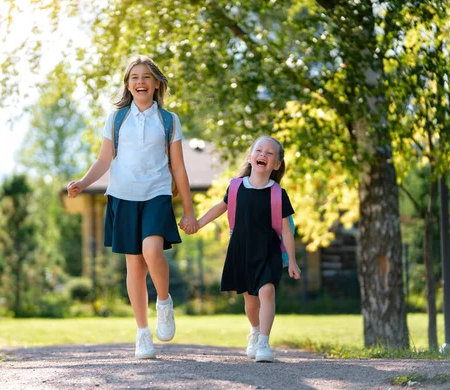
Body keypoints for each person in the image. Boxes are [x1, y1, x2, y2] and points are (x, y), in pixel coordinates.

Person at [67, 55, 198, 359]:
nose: (140, 82)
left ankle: (163, 303)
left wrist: (189, 210)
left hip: (156, 194)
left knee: (152, 251)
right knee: (134, 267)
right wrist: (83, 183)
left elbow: (178, 167)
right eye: (134, 77)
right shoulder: (116, 118)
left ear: (156, 84)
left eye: (146, 77)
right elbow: (104, 160)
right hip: (123, 197)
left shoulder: (169, 120)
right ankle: (142, 334)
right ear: (127, 84)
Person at [193, 136, 301, 362]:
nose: (263, 154)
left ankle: (263, 342)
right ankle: (254, 330)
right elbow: (220, 208)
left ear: (277, 164)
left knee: (267, 291)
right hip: (241, 250)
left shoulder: (277, 193)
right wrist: (198, 223)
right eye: (259, 150)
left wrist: (292, 260)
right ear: (251, 157)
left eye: (270, 153)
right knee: (250, 301)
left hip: (268, 251)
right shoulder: (235, 188)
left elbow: (287, 231)